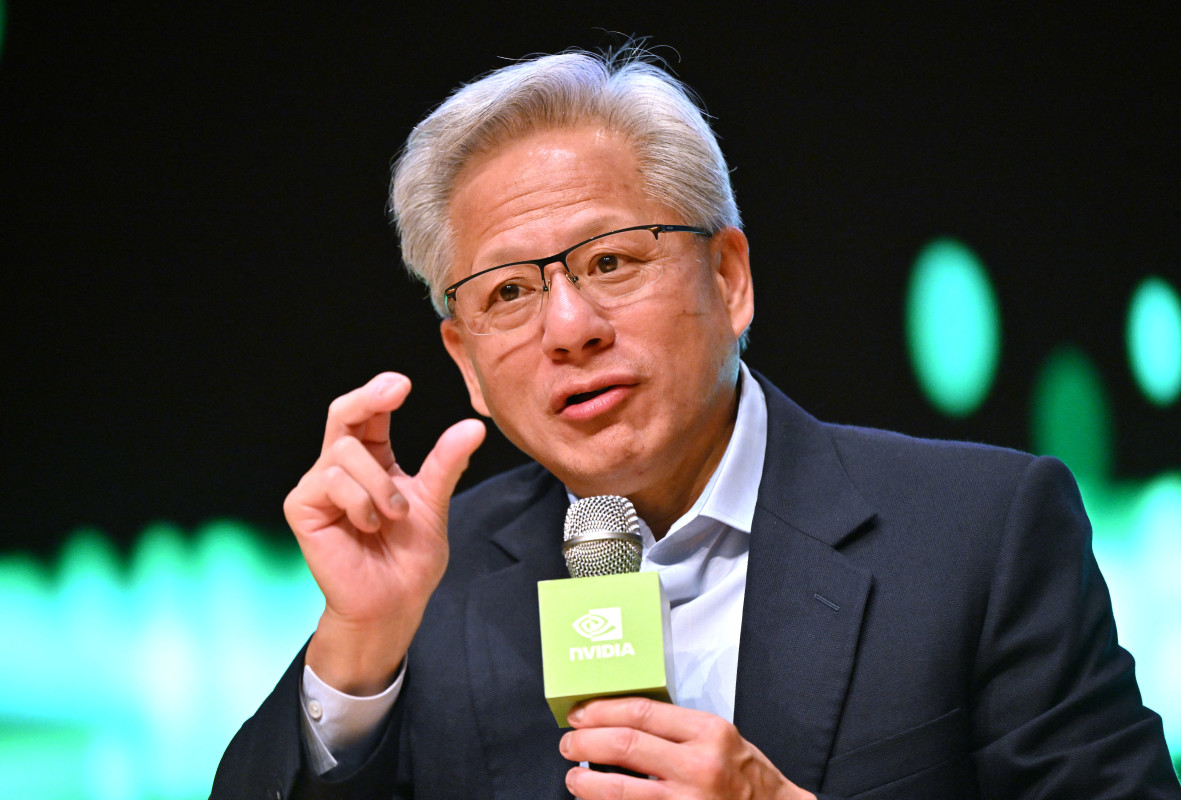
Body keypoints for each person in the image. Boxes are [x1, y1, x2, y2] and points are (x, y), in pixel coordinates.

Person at [212, 47, 1180, 799]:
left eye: (609, 261)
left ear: (729, 278)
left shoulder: (980, 529)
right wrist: (360, 642)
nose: (569, 329)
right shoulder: (431, 582)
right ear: (465, 362)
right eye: (508, 291)